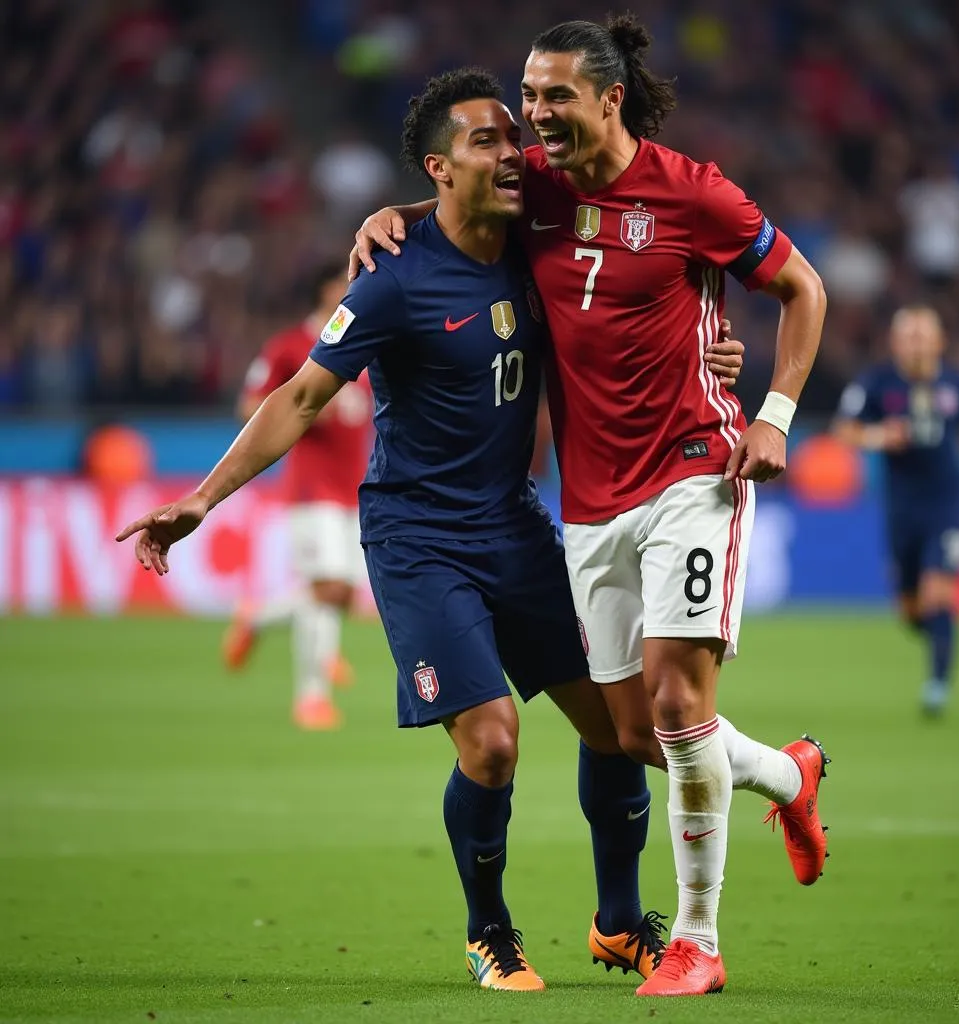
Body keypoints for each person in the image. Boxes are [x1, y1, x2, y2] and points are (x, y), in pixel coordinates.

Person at [116, 68, 747, 994]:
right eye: (487, 142)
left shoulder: (540, 243)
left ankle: (619, 923)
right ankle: (489, 929)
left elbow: (632, 310)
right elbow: (299, 397)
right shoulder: (390, 280)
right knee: (491, 741)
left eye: (511, 137)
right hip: (419, 538)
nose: (513, 154)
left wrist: (711, 351)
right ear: (440, 170)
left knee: (617, 730)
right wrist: (200, 499)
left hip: (518, 523)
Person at [350, 15, 830, 998]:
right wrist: (390, 213)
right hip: (587, 502)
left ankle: (693, 937)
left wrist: (774, 414)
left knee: (673, 700)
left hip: (696, 467)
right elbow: (462, 192)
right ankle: (786, 776)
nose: (533, 117)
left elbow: (802, 287)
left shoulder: (694, 193)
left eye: (553, 97)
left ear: (608, 98)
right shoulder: (541, 187)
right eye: (527, 100)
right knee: (625, 735)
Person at [223, 262, 374, 730]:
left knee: (342, 593)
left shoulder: (365, 340)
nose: (353, 289)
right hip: (312, 488)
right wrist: (306, 411)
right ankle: (311, 696)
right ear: (324, 290)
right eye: (345, 283)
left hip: (355, 488)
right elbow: (249, 407)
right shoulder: (289, 347)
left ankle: (258, 617)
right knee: (327, 587)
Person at [835, 305, 959, 715]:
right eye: (908, 335)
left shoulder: (956, 383)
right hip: (902, 507)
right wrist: (878, 435)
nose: (915, 343)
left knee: (938, 594)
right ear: (894, 342)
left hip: (947, 501)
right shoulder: (876, 384)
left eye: (922, 334)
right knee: (911, 611)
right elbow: (844, 430)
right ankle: (942, 636)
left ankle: (938, 685)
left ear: (939, 341)